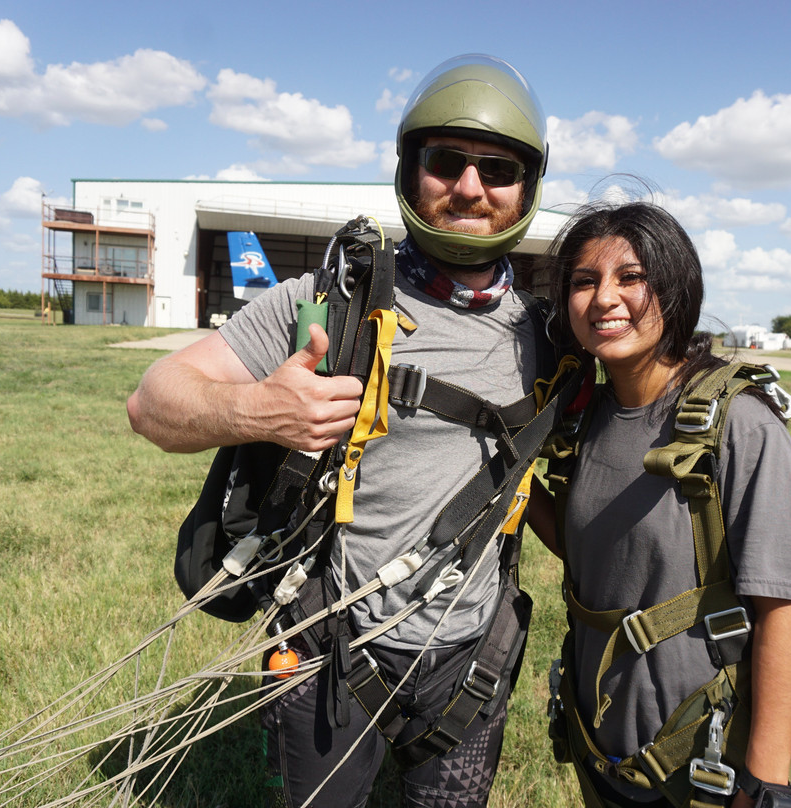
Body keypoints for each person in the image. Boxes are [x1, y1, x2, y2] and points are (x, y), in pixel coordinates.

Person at [128, 54, 551, 808]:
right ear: (409, 170)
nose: (469, 188)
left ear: (526, 188)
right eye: (446, 162)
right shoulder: (329, 302)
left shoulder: (551, 335)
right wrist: (258, 411)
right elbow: (152, 402)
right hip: (327, 639)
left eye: (497, 170)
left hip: (468, 654)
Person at [529, 202, 791, 808]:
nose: (605, 298)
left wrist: (766, 784)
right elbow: (599, 549)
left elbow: (783, 607)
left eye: (630, 278)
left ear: (676, 286)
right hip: (602, 752)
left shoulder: (739, 424)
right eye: (585, 281)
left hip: (703, 766)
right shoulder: (585, 420)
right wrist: (512, 486)